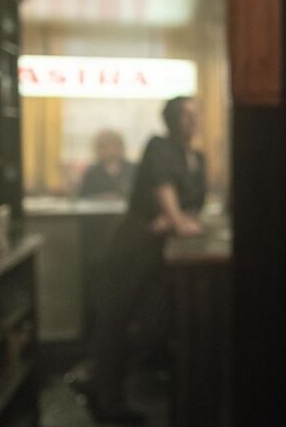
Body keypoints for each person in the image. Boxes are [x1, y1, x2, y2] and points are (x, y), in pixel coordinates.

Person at [81, 96, 205, 423]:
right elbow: (164, 188)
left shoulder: (198, 157)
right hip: (133, 244)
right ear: (171, 119)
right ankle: (107, 400)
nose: (192, 120)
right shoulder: (159, 147)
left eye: (195, 114)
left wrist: (177, 217)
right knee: (116, 318)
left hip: (162, 248)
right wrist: (176, 219)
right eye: (185, 115)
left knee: (156, 323)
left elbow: (193, 203)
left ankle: (97, 380)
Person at [78, 129, 135, 198]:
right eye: (105, 147)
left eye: (115, 146)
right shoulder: (91, 173)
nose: (111, 151)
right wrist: (102, 197)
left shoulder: (134, 170)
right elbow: (83, 197)